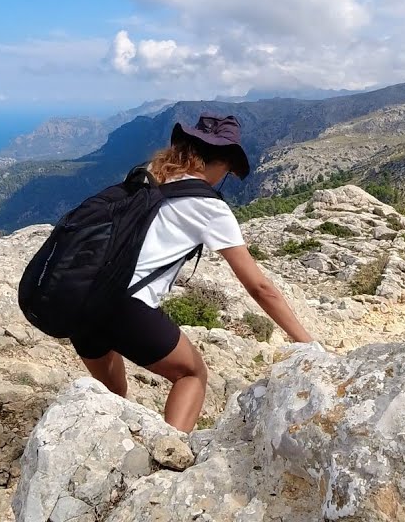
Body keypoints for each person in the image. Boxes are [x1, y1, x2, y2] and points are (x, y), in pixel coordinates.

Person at [69, 114, 315, 433]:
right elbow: (259, 287)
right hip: (126, 306)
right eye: (226, 172)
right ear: (221, 162)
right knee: (192, 374)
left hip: (81, 301)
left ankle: (108, 448)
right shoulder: (208, 206)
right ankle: (168, 458)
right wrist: (306, 343)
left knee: (114, 395)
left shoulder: (146, 178)